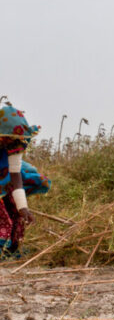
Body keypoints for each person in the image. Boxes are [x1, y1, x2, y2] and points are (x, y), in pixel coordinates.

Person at [0, 104, 51, 258]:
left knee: (15, 213)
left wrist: (23, 208)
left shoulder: (15, 145)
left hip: (5, 178)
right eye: (7, 139)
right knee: (4, 219)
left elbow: (16, 177)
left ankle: (12, 249)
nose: (10, 143)